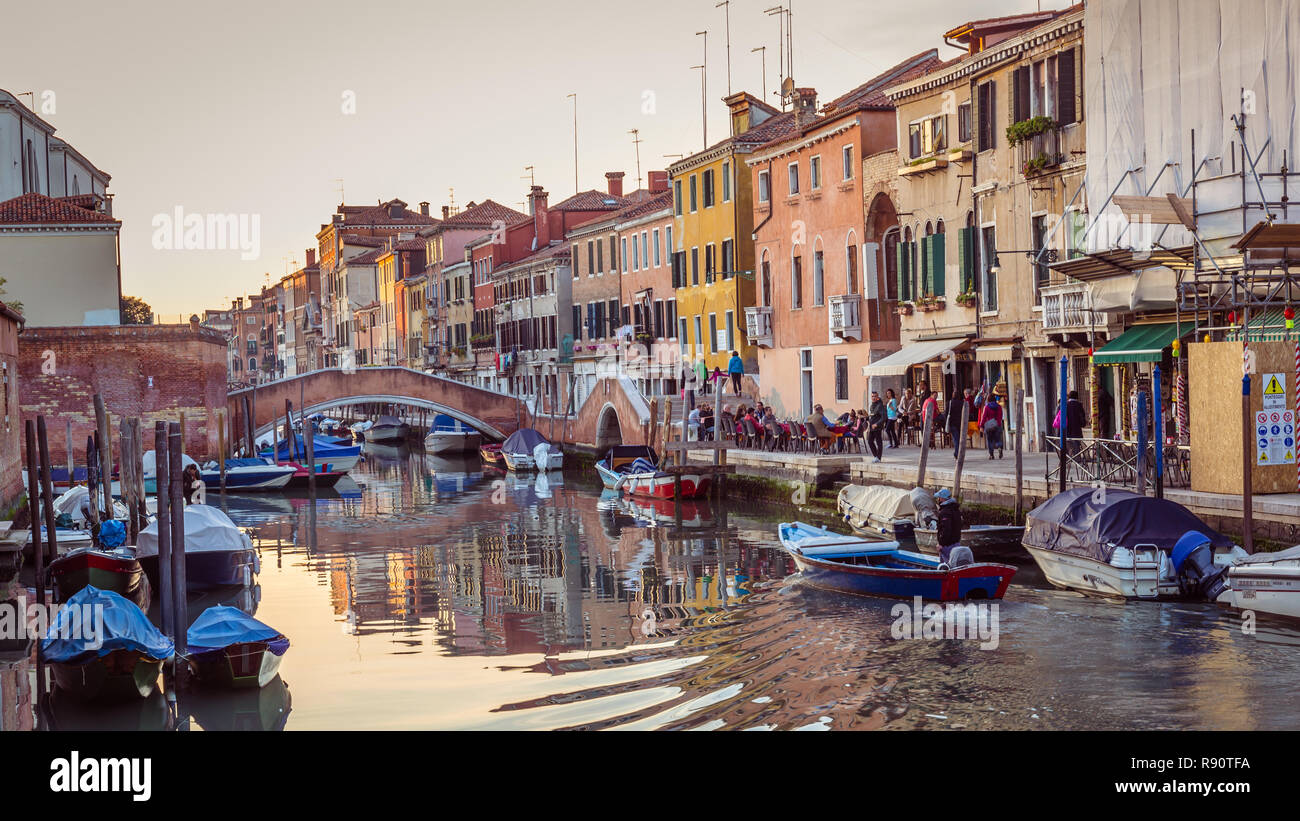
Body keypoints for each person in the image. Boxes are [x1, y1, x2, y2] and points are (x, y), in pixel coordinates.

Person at [934, 487, 963, 564]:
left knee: (946, 567)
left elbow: (946, 529)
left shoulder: (945, 512)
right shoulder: (956, 509)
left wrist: (941, 544)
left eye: (939, 498)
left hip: (947, 545)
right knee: (956, 565)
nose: (938, 499)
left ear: (942, 498)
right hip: (957, 543)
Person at [978, 393, 1004, 458]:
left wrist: (981, 426)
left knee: (990, 440)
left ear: (988, 399)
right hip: (998, 424)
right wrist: (998, 422)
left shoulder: (986, 407)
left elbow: (984, 417)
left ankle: (991, 455)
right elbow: (1001, 416)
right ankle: (999, 447)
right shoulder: (999, 407)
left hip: (989, 426)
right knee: (998, 439)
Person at [867, 391, 886, 462]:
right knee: (870, 441)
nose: (873, 398)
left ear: (877, 397)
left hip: (877, 427)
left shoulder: (880, 405)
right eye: (872, 396)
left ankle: (878, 457)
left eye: (875, 396)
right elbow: (873, 416)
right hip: (871, 427)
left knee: (879, 442)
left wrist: (877, 424)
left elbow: (883, 417)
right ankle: (876, 456)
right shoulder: (872, 405)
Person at [947, 390, 966, 458]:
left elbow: (946, 413)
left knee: (956, 439)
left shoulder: (950, 403)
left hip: (953, 423)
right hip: (961, 423)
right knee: (960, 439)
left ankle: (957, 453)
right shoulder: (962, 403)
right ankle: (958, 452)